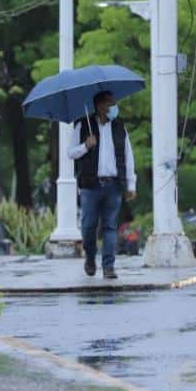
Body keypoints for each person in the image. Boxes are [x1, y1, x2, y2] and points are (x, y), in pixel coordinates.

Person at [68, 90, 137, 279]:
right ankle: (90, 258)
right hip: (90, 185)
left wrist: (131, 184)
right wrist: (86, 146)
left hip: (113, 185)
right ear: (99, 106)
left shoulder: (119, 127)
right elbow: (70, 152)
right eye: (110, 104)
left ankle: (108, 266)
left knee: (110, 227)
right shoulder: (83, 125)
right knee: (88, 227)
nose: (114, 107)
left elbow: (128, 156)